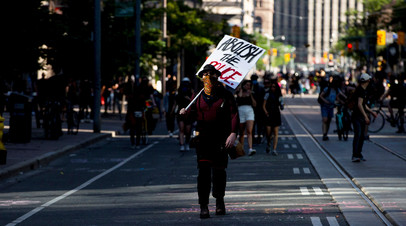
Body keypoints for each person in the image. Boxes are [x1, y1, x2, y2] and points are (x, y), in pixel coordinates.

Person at [180, 64, 239, 219]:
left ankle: (219, 201)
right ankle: (203, 206)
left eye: (211, 74)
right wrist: (184, 113)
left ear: (216, 76)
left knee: (219, 171)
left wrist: (233, 133)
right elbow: (191, 116)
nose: (208, 76)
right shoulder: (197, 96)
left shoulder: (226, 95)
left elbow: (234, 115)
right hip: (203, 138)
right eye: (205, 74)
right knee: (204, 172)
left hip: (221, 137)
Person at [351, 73, 377, 162]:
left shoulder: (362, 90)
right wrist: (366, 116)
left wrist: (371, 112)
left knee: (361, 135)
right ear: (368, 81)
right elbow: (359, 104)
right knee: (358, 135)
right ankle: (355, 155)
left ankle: (358, 154)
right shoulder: (361, 90)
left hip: (359, 116)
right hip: (357, 116)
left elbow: (363, 104)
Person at [318, 75, 347, 141]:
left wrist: (347, 99)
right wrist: (326, 101)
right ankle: (324, 134)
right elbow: (321, 96)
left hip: (331, 107)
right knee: (325, 120)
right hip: (325, 106)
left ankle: (326, 133)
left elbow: (341, 95)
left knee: (329, 120)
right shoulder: (327, 89)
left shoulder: (337, 90)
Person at [263, 79, 284, 155]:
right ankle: (268, 143)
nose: (272, 88)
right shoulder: (267, 94)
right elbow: (264, 105)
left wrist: (282, 104)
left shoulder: (279, 96)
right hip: (269, 114)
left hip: (276, 114)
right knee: (268, 133)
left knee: (276, 133)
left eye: (274, 87)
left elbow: (282, 106)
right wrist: (266, 112)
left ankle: (274, 149)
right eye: (271, 87)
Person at [236, 80, 257, 155]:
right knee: (241, 132)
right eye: (246, 85)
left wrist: (250, 94)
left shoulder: (252, 93)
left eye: (249, 85)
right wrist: (241, 89)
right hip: (241, 111)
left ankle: (250, 148)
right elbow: (239, 97)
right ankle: (241, 149)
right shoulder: (239, 91)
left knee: (249, 131)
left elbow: (255, 104)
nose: (248, 86)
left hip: (249, 111)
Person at [175, 77, 194, 151]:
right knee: (182, 129)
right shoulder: (179, 92)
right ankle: (182, 144)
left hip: (189, 113)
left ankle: (186, 143)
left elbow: (193, 101)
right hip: (181, 112)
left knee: (188, 130)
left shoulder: (191, 92)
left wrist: (189, 98)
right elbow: (176, 102)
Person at [251, 74, 266, 144]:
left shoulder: (260, 88)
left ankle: (258, 137)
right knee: (255, 125)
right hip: (255, 109)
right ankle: (255, 137)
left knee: (258, 124)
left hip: (258, 109)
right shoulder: (250, 88)